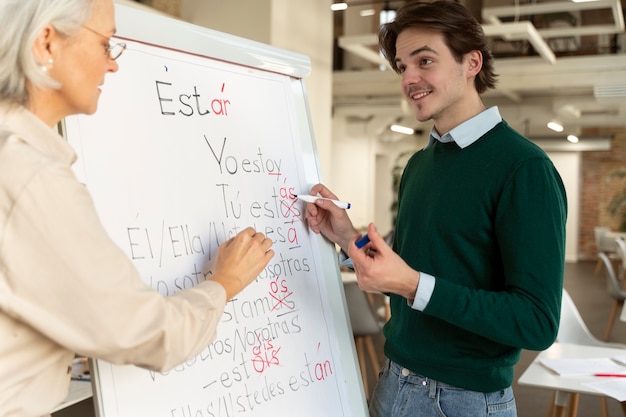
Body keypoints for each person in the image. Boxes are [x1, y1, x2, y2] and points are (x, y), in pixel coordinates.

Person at [0, 1, 274, 416]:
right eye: (106, 45)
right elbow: (144, 332)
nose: (113, 67)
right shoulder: (31, 178)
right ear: (46, 42)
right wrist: (226, 283)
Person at [305, 1, 567, 416]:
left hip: (464, 399)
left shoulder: (524, 169)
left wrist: (412, 285)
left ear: (471, 63)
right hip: (393, 383)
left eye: (425, 60)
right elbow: (413, 268)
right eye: (402, 66)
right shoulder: (418, 165)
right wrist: (345, 235)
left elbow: (536, 321)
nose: (410, 78)